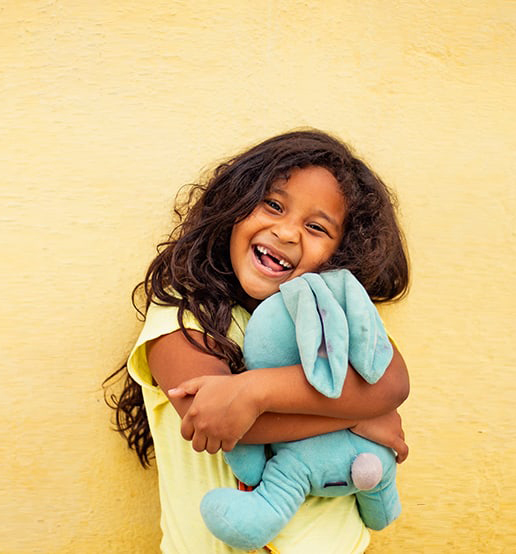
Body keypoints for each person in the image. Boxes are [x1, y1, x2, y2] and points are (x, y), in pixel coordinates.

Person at [104, 129, 411, 553]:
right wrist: (358, 416)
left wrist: (252, 390)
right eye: (273, 205)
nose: (286, 233)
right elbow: (216, 418)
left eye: (316, 227)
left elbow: (391, 384)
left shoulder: (332, 316)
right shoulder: (180, 316)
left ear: (341, 254)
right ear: (234, 207)